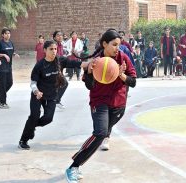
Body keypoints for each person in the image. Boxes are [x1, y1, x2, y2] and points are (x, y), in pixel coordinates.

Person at [65, 30, 136, 183]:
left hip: (119, 103)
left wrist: (121, 75)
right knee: (100, 133)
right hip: (100, 102)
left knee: (103, 133)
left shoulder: (123, 58)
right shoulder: (96, 61)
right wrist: (89, 73)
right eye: (114, 45)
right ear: (105, 44)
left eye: (119, 44)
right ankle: (73, 167)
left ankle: (104, 136)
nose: (118, 48)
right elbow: (90, 86)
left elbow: (133, 82)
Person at [18, 40, 90, 150]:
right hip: (38, 95)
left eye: (55, 49)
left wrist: (88, 63)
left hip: (51, 96)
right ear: (45, 50)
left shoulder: (60, 60)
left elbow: (75, 63)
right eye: (51, 49)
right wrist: (36, 92)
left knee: (48, 119)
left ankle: (32, 127)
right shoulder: (40, 65)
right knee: (34, 116)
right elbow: (33, 83)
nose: (54, 51)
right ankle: (23, 140)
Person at [0, 27, 20, 109]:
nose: (8, 35)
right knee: (3, 85)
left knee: (10, 83)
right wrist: (4, 55)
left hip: (8, 67)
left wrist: (14, 54)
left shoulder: (11, 43)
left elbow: (11, 51)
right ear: (2, 35)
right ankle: (2, 102)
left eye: (9, 33)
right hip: (1, 67)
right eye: (6, 33)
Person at [53, 30, 69, 109]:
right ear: (55, 37)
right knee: (64, 83)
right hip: (53, 68)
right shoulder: (53, 46)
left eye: (61, 35)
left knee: (59, 85)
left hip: (60, 68)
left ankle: (56, 100)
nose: (60, 36)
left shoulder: (62, 45)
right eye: (58, 35)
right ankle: (56, 101)